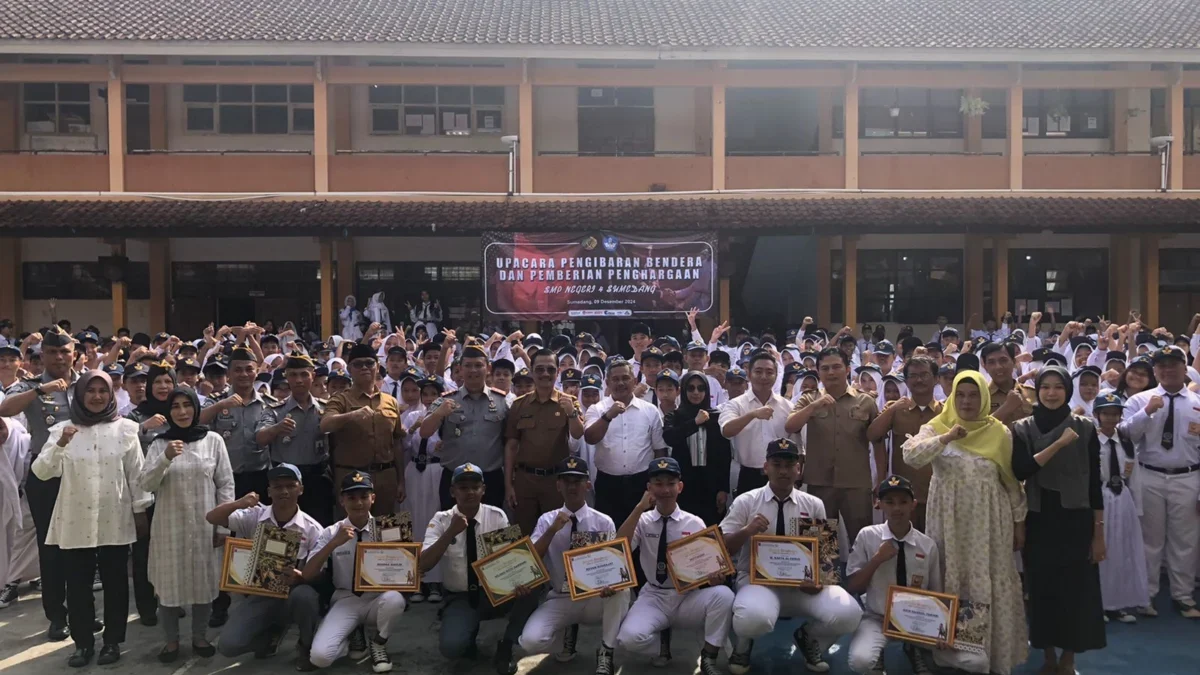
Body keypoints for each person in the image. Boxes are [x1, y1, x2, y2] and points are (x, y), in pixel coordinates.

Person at [901, 371, 1028, 674]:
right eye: (961, 395)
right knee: (950, 575)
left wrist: (1019, 523)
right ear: (952, 396)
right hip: (949, 521)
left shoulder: (1000, 433)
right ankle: (952, 650)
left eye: (973, 395)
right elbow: (911, 456)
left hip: (989, 522)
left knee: (988, 576)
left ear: (984, 398)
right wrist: (946, 438)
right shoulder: (936, 426)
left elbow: (1011, 483)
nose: (967, 401)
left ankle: (987, 655)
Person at [32, 371, 151, 667]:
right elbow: (42, 472)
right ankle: (83, 643)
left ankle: (112, 641)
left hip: (115, 515)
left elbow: (136, 475)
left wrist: (140, 512)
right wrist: (60, 444)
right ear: (80, 394)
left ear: (111, 395)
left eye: (103, 391)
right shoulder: (63, 428)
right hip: (75, 518)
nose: (97, 396)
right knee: (78, 585)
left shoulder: (126, 429)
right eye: (91, 391)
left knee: (115, 583)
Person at [721, 438, 862, 674]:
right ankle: (743, 645)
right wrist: (747, 531)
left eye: (790, 465)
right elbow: (722, 549)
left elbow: (825, 556)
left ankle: (809, 638)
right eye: (777, 464)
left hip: (801, 586)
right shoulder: (747, 501)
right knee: (752, 618)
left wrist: (819, 580)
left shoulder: (813, 504)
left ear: (799, 469)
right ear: (765, 467)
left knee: (849, 613)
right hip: (758, 583)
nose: (783, 471)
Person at [1011, 366, 1106, 674]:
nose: (1051, 393)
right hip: (1039, 518)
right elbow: (1021, 471)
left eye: (1058, 387)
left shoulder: (1086, 428)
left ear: (1067, 390)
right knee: (1041, 591)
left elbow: (1094, 483)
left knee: (1076, 591)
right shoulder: (1022, 428)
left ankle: (1069, 658)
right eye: (1045, 387)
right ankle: (1048, 655)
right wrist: (1058, 444)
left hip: (1075, 519)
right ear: (1037, 391)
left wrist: (1098, 533)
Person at [139, 387, 234, 662]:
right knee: (169, 586)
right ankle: (171, 641)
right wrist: (165, 457)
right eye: (175, 407)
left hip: (206, 525)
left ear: (195, 408)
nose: (182, 412)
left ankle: (199, 637)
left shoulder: (213, 440)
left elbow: (225, 484)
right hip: (170, 526)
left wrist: (224, 526)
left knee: (203, 582)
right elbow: (146, 484)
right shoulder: (159, 444)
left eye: (187, 406)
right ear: (168, 412)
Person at [614, 457, 733, 675]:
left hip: (687, 596)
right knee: (628, 639)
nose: (665, 490)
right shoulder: (642, 521)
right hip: (654, 595)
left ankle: (709, 656)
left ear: (680, 487)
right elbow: (619, 549)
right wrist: (640, 507)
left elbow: (709, 564)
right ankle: (661, 642)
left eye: (670, 483)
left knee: (724, 595)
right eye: (658, 484)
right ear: (649, 488)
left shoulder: (694, 522)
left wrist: (714, 576)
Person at [420, 463, 537, 675]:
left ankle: (507, 645)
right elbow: (423, 565)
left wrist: (519, 581)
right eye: (463, 487)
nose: (470, 492)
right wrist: (450, 534)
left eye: (475, 487)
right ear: (452, 491)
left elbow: (511, 559)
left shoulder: (497, 516)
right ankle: (467, 636)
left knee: (534, 588)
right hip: (460, 596)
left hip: (495, 592)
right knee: (451, 648)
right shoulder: (441, 520)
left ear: (483, 489)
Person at [0, 327, 77, 641]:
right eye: (52, 352)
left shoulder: (90, 383)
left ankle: (83, 611)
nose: (59, 358)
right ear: (42, 355)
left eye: (65, 352)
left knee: (85, 548)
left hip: (84, 474)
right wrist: (41, 390)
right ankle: (57, 616)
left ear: (75, 354)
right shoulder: (32, 386)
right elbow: (4, 409)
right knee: (52, 549)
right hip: (46, 477)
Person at [519, 457, 629, 674]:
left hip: (595, 597)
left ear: (588, 484)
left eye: (577, 481)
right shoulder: (546, 520)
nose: (572, 486)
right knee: (530, 642)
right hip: (561, 596)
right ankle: (565, 638)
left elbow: (615, 563)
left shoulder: (603, 521)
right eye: (567, 481)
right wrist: (552, 530)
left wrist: (610, 584)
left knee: (622, 590)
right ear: (558, 485)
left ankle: (606, 652)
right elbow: (531, 560)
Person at [208, 463, 323, 669]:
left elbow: (320, 574)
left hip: (293, 594)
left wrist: (300, 575)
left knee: (306, 597)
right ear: (269, 491)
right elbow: (212, 517)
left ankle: (306, 645)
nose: (284, 491)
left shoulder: (312, 528)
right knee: (228, 645)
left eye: (290, 485)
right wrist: (239, 503)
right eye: (277, 487)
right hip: (260, 594)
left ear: (301, 489)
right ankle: (270, 635)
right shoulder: (253, 516)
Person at [1122, 345, 1200, 618]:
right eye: (1162, 365)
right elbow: (1125, 436)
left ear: (1184, 367)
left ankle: (1183, 596)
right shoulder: (1140, 400)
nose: (1167, 370)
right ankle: (1146, 595)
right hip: (1149, 475)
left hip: (1188, 476)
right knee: (1149, 541)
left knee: (1185, 541)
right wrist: (1146, 413)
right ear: (1155, 370)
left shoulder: (1197, 402)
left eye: (1173, 364)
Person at [303, 471, 406, 673]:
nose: (358, 503)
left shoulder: (389, 528)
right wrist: (333, 544)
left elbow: (405, 570)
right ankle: (352, 633)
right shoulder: (331, 532)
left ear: (373, 498)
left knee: (396, 600)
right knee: (320, 657)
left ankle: (378, 642)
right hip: (346, 599)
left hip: (378, 599)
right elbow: (308, 573)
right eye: (351, 497)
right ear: (342, 500)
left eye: (364, 497)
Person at [845, 475, 941, 675]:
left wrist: (938, 628)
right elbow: (853, 586)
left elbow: (936, 592)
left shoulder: (927, 544)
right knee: (861, 662)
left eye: (903, 502)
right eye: (889, 502)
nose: (897, 508)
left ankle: (914, 647)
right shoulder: (867, 536)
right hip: (877, 617)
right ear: (878, 504)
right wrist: (877, 559)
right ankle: (880, 650)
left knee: (971, 660)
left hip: (918, 618)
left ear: (913, 504)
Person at [787, 346, 880, 545]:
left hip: (856, 483)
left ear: (847, 369)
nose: (831, 372)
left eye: (836, 367)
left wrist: (879, 478)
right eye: (825, 368)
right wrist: (813, 407)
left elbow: (878, 443)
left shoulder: (866, 401)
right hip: (820, 484)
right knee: (821, 546)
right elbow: (791, 425)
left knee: (862, 541)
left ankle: (860, 576)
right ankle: (824, 577)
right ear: (818, 371)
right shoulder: (809, 398)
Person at [322, 342, 407, 516]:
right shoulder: (341, 400)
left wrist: (401, 481)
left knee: (387, 532)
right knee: (352, 532)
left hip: (385, 477)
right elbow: (325, 424)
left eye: (369, 363)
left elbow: (397, 442)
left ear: (377, 367)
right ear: (350, 370)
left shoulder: (390, 401)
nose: (364, 368)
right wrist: (350, 416)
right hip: (351, 477)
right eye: (358, 364)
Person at [504, 349, 584, 535]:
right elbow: (511, 446)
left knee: (557, 534)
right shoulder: (519, 405)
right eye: (539, 369)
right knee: (523, 533)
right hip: (525, 480)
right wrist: (509, 485)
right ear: (531, 371)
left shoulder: (569, 402)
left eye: (550, 369)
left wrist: (571, 413)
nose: (545, 374)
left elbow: (578, 434)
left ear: (557, 372)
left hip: (555, 482)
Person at [583, 359, 668, 521]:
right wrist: (608, 416)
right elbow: (590, 438)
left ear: (634, 381)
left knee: (642, 532)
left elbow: (660, 450)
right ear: (607, 382)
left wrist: (657, 484)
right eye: (615, 379)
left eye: (625, 378)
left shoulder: (650, 410)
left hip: (641, 483)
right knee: (609, 536)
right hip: (608, 484)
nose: (620, 383)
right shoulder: (597, 409)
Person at [257, 353, 334, 526]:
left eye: (304, 375)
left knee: (319, 529)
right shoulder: (276, 410)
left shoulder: (325, 408)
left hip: (317, 479)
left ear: (312, 376)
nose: (299, 380)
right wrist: (277, 428)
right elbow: (260, 438)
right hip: (286, 481)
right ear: (286, 377)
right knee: (284, 530)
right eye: (293, 375)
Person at [867, 356, 942, 531]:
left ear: (936, 378)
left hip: (935, 494)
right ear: (906, 381)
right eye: (913, 376)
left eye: (925, 375)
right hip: (902, 496)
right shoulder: (896, 409)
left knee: (933, 548)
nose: (919, 380)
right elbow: (872, 434)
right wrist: (892, 409)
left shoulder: (945, 411)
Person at [1092, 392, 1148, 624]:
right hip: (1101, 498)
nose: (1111, 418)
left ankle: (1119, 603)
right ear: (1097, 415)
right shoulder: (1091, 442)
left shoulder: (1125, 442)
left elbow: (1133, 476)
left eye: (1115, 413)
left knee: (1122, 551)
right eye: (1106, 413)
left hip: (1122, 497)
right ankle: (1099, 603)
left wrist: (1137, 508)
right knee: (1101, 551)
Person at [720, 351, 798, 496]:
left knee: (783, 517)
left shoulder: (788, 407)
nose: (764, 377)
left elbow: (797, 443)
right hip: (747, 474)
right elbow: (726, 430)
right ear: (749, 375)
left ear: (776, 376)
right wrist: (752, 415)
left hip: (780, 475)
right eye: (758, 371)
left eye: (769, 372)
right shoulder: (735, 405)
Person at [663, 371, 731, 526]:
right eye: (691, 388)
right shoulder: (674, 416)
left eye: (701, 388)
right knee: (684, 529)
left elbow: (724, 455)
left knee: (711, 530)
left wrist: (723, 488)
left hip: (711, 484)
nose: (696, 393)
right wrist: (695, 422)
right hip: (684, 483)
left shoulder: (716, 417)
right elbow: (670, 437)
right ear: (684, 390)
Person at [0, 415, 32, 609]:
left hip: (26, 501)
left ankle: (13, 582)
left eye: (1, 428)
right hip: (4, 504)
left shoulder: (25, 442)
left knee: (23, 541)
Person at [982, 342, 1035, 424]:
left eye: (1003, 360)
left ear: (1014, 362)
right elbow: (979, 431)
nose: (998, 367)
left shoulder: (1032, 393)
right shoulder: (981, 398)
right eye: (991, 362)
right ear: (985, 367)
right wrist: (1007, 407)